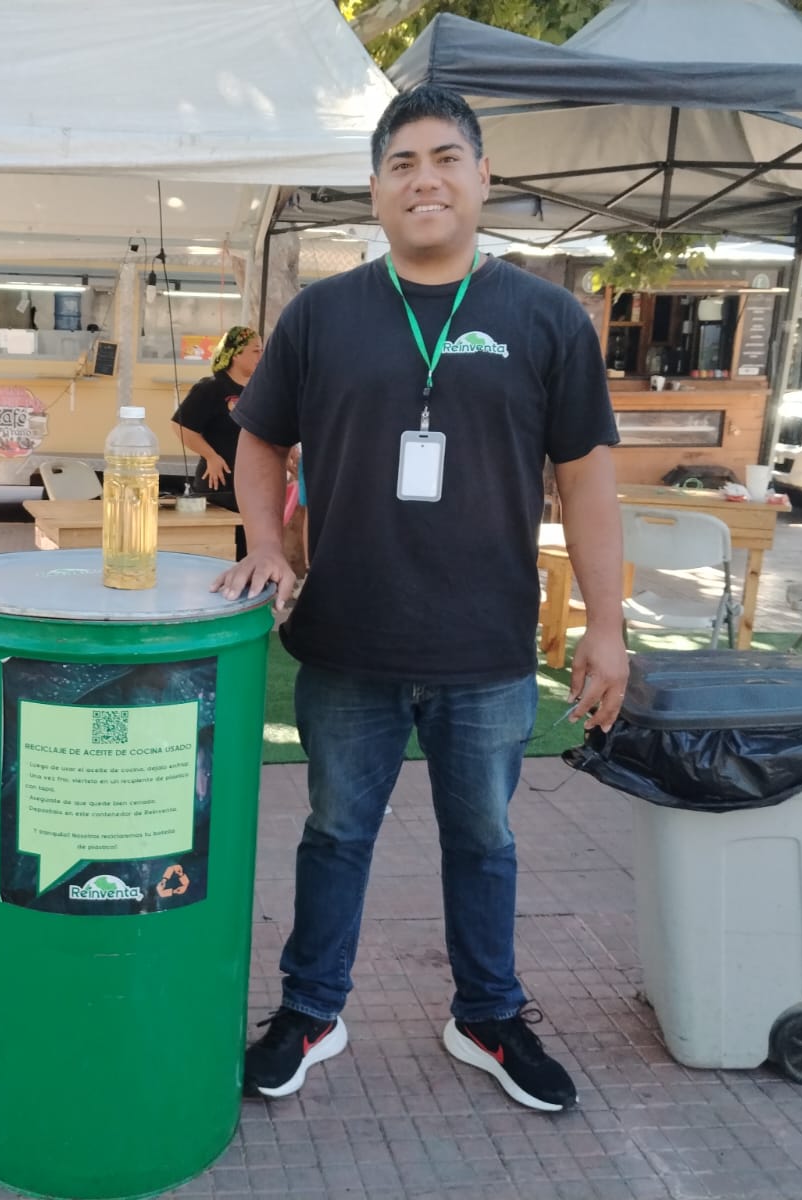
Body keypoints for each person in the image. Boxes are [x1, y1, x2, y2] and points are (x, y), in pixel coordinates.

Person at [214, 84, 629, 1113]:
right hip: (346, 641)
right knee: (333, 835)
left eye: (446, 158)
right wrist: (265, 543)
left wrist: (607, 628)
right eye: (401, 163)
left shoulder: (545, 319)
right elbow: (257, 437)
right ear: (375, 188)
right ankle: (310, 1010)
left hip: (485, 649)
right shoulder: (320, 315)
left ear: (484, 178)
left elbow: (586, 480)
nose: (425, 179)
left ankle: (486, 1015)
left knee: (483, 840)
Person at [171, 325, 262, 558]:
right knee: (220, 553)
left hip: (255, 486)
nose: (261, 357)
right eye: (255, 351)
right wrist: (211, 456)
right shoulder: (211, 388)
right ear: (236, 353)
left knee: (251, 551)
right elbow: (181, 426)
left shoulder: (260, 389)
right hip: (219, 487)